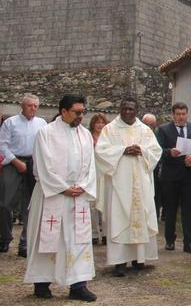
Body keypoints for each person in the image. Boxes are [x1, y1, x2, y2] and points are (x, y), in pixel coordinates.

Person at [24, 94, 98, 301]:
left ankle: (78, 284)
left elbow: (91, 166)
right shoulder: (45, 134)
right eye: (77, 112)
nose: (81, 116)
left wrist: (83, 186)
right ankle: (42, 282)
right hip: (53, 195)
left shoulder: (85, 134)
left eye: (83, 112)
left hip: (77, 197)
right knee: (48, 239)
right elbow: (42, 167)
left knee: (77, 240)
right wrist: (63, 188)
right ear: (63, 111)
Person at [94, 97, 162, 277]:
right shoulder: (110, 130)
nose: (127, 112)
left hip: (140, 183)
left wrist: (142, 150)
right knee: (120, 219)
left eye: (131, 109)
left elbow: (156, 151)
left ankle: (139, 259)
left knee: (141, 216)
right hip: (119, 184)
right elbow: (100, 152)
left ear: (137, 110)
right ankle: (119, 262)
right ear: (120, 108)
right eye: (124, 108)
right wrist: (122, 150)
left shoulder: (145, 130)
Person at [0, 94, 47, 257]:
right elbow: (2, 145)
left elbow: (45, 144)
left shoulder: (42, 123)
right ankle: (5, 237)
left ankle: (25, 243)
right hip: (13, 162)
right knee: (5, 203)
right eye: (30, 105)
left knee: (30, 204)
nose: (33, 108)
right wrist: (15, 161)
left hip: (34, 163)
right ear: (22, 106)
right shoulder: (10, 122)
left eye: (35, 106)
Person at [156, 102, 191, 253]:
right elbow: (157, 150)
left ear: (187, 114)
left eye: (183, 114)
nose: (181, 117)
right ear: (173, 115)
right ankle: (170, 240)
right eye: (178, 114)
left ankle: (189, 242)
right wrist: (169, 152)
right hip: (170, 176)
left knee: (188, 211)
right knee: (170, 210)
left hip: (189, 174)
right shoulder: (163, 130)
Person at [87, 114, 108, 245]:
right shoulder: (87, 137)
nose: (100, 125)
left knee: (106, 204)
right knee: (92, 205)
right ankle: (94, 233)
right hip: (92, 174)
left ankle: (106, 233)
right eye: (97, 122)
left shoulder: (108, 138)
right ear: (93, 124)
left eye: (102, 123)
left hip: (105, 174)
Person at [142, 113, 163, 223]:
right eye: (147, 124)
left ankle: (153, 217)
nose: (149, 127)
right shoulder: (138, 134)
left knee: (156, 196)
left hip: (156, 171)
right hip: (142, 170)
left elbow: (159, 151)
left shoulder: (157, 135)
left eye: (152, 125)